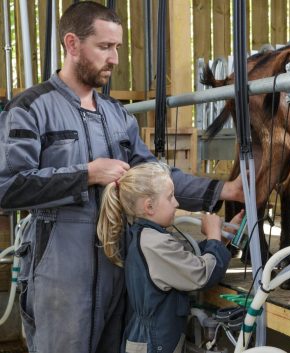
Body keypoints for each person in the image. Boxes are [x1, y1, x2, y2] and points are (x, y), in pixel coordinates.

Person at [0, 2, 243, 353]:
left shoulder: (117, 116)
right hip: (61, 279)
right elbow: (9, 186)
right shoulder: (30, 108)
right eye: (104, 47)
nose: (114, 58)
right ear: (72, 44)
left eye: (117, 48)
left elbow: (157, 177)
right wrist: (86, 174)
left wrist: (225, 188)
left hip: (119, 273)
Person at [97, 162, 243, 353]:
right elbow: (202, 274)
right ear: (149, 206)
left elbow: (185, 261)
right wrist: (213, 235)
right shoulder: (155, 244)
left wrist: (220, 238)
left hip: (153, 340)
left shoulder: (149, 237)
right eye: (170, 197)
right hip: (155, 344)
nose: (177, 203)